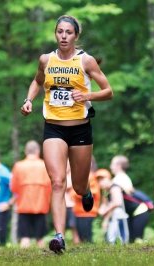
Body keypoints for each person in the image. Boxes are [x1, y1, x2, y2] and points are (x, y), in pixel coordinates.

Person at [20, 15, 113, 253]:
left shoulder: (86, 61)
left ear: (76, 36)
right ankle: (59, 237)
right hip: (54, 127)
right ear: (55, 34)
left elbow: (108, 91)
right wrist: (29, 100)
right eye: (60, 31)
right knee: (58, 181)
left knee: (79, 186)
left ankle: (86, 191)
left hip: (80, 128)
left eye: (68, 32)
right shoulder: (46, 60)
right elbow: (37, 81)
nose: (63, 36)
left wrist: (87, 96)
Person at [10, 140, 52, 248]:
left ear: (26, 151)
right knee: (40, 238)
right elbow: (50, 186)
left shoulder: (18, 166)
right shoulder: (44, 165)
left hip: (24, 205)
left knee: (25, 237)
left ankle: (23, 262)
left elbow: (13, 187)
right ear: (38, 151)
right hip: (41, 205)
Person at [71, 157, 101, 243]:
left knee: (86, 238)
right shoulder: (86, 176)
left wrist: (75, 194)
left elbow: (92, 192)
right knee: (82, 237)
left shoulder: (90, 177)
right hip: (80, 212)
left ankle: (90, 253)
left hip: (87, 212)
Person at [97, 168, 129, 244]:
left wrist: (106, 212)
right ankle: (112, 243)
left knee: (117, 213)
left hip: (126, 214)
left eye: (102, 179)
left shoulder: (115, 187)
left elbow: (117, 202)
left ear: (108, 178)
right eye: (98, 180)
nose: (100, 182)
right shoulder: (106, 192)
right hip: (116, 215)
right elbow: (104, 206)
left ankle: (122, 243)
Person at [65, 162, 80, 244]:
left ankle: (77, 244)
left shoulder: (73, 176)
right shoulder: (62, 176)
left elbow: (68, 186)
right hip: (63, 205)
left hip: (72, 205)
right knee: (61, 227)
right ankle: (60, 244)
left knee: (73, 227)